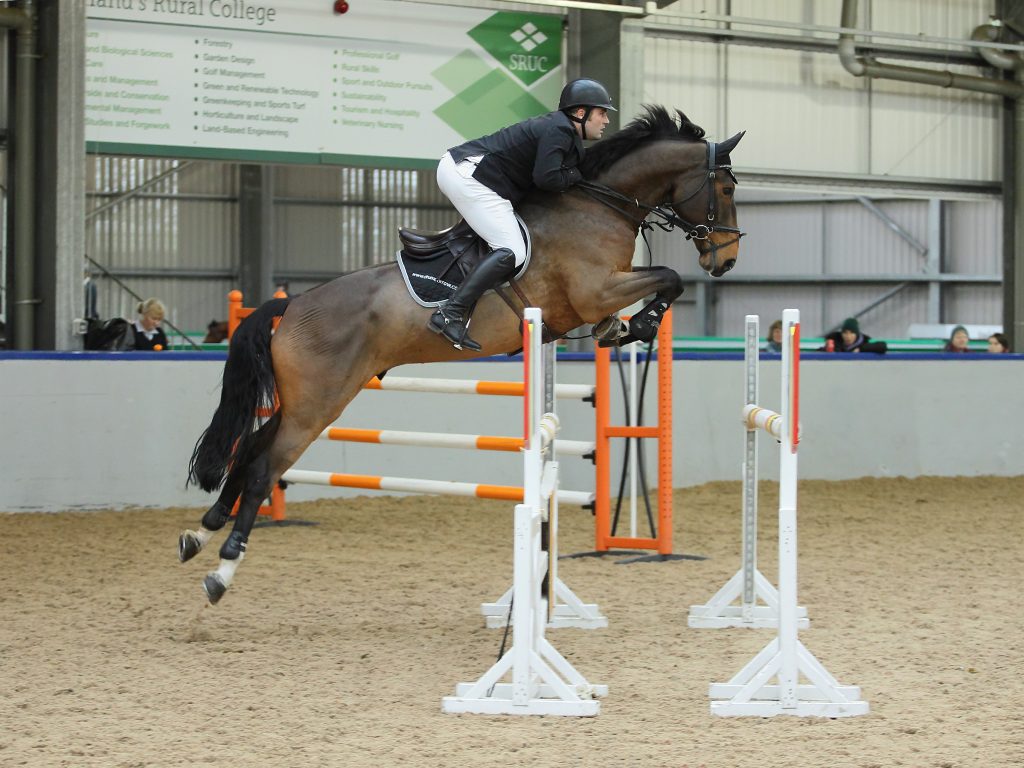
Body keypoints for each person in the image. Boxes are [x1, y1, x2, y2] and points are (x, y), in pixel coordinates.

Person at [428, 78, 615, 351]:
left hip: (477, 176)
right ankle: (450, 313)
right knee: (511, 250)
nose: (606, 120)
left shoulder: (563, 132)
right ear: (580, 113)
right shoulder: (559, 130)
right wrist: (578, 174)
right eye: (602, 112)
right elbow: (547, 178)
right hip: (467, 174)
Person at [819, 317, 887, 354]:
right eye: (845, 333)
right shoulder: (835, 342)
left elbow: (882, 346)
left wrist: (861, 349)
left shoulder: (863, 343)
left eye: (852, 333)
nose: (848, 336)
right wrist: (826, 349)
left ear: (856, 334)